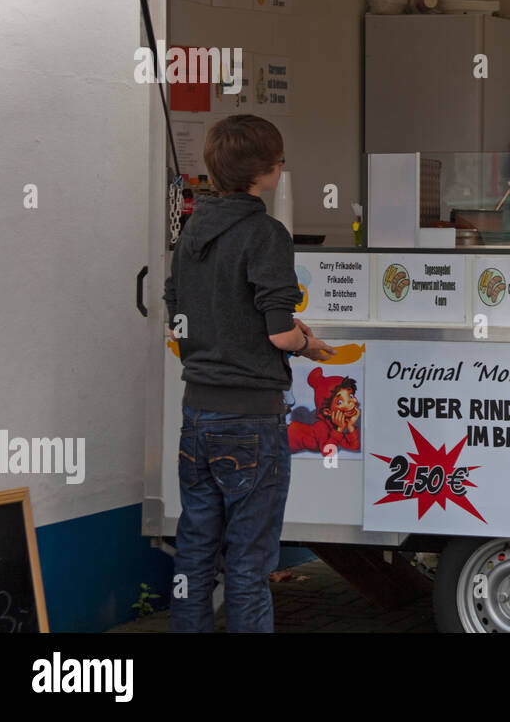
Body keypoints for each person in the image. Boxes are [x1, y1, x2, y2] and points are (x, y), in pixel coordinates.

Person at [164, 114, 333, 632]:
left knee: (194, 555)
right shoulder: (266, 233)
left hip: (197, 415)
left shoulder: (192, 231)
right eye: (279, 162)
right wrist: (310, 344)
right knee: (248, 564)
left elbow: (181, 315)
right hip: (251, 422)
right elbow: (279, 334)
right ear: (268, 171)